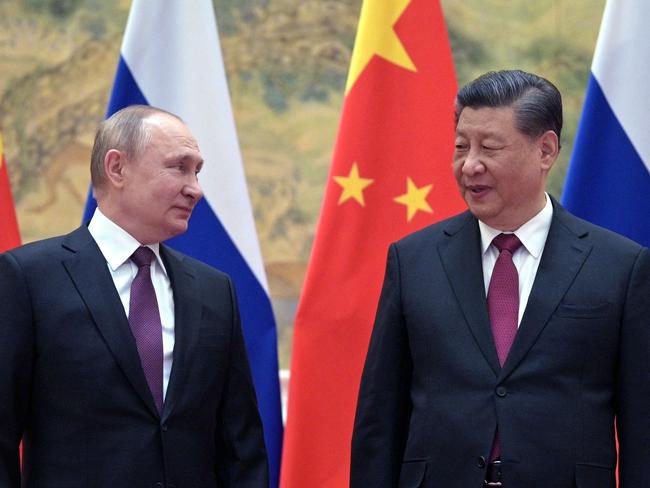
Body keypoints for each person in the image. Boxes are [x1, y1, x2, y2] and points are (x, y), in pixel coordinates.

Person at [350, 70, 650, 487]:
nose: (470, 164)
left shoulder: (619, 266)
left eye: (489, 147)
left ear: (545, 150)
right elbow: (379, 418)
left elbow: (642, 428)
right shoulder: (413, 260)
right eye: (461, 147)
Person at [0, 105, 268, 487]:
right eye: (179, 167)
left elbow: (241, 442)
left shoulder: (214, 289)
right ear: (117, 168)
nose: (195, 188)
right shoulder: (28, 278)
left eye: (197, 171)